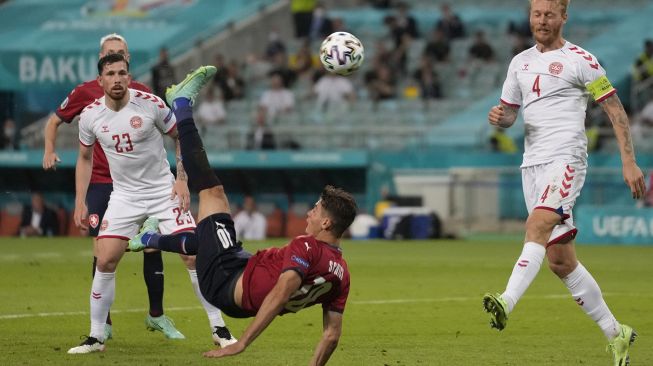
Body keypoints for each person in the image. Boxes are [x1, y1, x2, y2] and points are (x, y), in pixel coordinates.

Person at [128, 65, 358, 364]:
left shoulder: (307, 246)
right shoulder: (342, 272)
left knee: (212, 193)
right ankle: (148, 237)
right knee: (205, 239)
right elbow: (331, 335)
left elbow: (279, 294)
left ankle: (181, 104)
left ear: (327, 222)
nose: (310, 213)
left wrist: (242, 343)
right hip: (240, 265)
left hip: (225, 282)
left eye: (316, 210)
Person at [483, 1, 644, 365]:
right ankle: (615, 333)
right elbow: (510, 113)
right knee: (560, 261)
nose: (542, 21)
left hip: (565, 160)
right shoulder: (519, 63)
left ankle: (506, 300)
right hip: (532, 166)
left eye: (549, 14)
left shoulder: (582, 61)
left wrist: (629, 161)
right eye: (536, 14)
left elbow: (615, 109)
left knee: (536, 225)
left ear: (563, 17)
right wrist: (501, 117)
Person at [67, 54, 236, 354]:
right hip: (124, 196)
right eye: (110, 74)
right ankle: (95, 337)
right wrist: (80, 200)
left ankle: (219, 328)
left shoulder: (151, 103)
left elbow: (179, 137)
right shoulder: (90, 116)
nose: (117, 79)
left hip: (162, 191)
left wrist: (181, 177)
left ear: (130, 77)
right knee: (105, 258)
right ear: (101, 80)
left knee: (193, 255)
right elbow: (84, 157)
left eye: (122, 73)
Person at [41, 33, 176, 341]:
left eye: (121, 54)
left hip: (140, 186)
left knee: (152, 243)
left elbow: (166, 133)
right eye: (110, 53)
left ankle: (157, 315)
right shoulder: (85, 92)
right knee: (102, 252)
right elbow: (53, 122)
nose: (117, 57)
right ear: (100, 62)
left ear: (128, 61)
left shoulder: (140, 93)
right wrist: (49, 149)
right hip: (102, 185)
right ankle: (105, 324)